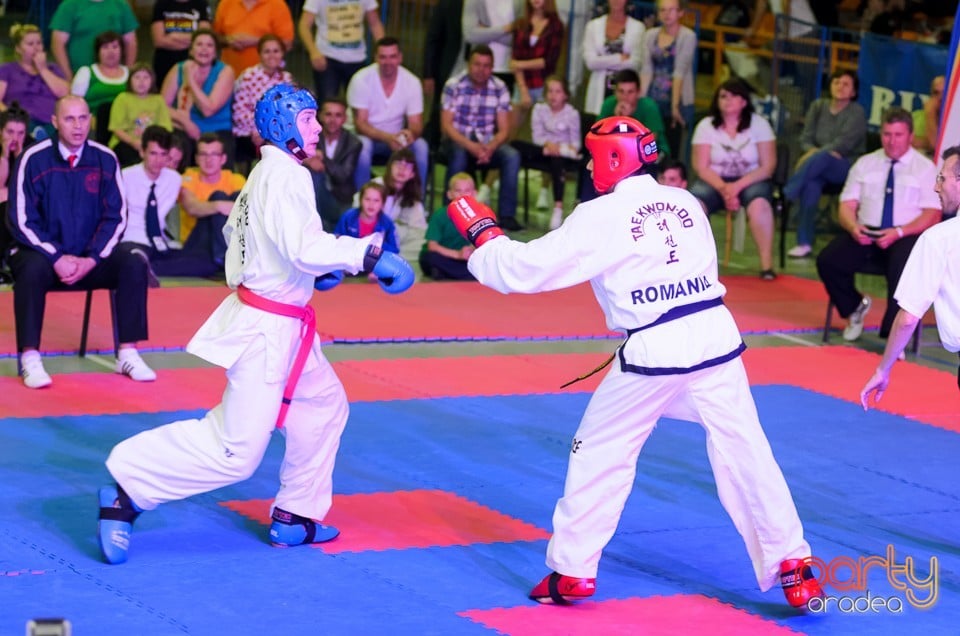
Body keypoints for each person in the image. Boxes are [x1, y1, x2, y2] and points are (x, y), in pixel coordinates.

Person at [444, 115, 823, 610]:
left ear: (610, 159)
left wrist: (484, 235)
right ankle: (794, 564)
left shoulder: (601, 215)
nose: (586, 164)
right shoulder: (685, 201)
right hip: (714, 342)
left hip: (654, 353)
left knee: (599, 451)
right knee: (745, 449)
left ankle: (572, 571)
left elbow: (526, 270)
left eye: (591, 155)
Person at [96, 83, 415, 565]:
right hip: (267, 331)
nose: (318, 128)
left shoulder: (265, 175)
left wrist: (315, 273)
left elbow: (251, 247)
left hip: (281, 324)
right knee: (235, 451)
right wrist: (366, 253)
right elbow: (303, 246)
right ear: (285, 127)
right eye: (307, 120)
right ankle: (128, 488)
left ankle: (296, 514)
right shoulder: (286, 176)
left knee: (324, 406)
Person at [7, 95, 155, 389]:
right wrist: (56, 257)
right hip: (46, 258)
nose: (78, 126)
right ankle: (30, 358)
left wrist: (92, 259)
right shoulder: (32, 159)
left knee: (133, 260)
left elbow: (116, 217)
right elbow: (21, 219)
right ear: (54, 122)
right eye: (69, 119)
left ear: (91, 120)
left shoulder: (105, 159)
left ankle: (127, 352)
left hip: (89, 259)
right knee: (30, 267)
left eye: (83, 118)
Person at [815, 106, 941, 342]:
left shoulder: (924, 168)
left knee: (903, 269)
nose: (892, 141)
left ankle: (893, 335)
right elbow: (846, 204)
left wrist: (899, 232)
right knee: (828, 261)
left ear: (911, 136)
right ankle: (854, 308)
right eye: (887, 134)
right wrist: (853, 227)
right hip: (866, 231)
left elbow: (933, 213)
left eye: (898, 135)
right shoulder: (865, 163)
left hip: (905, 234)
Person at [861, 145, 960, 405]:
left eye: (941, 178)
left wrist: (883, 369)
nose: (936, 187)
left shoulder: (939, 239)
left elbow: (907, 318)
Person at [689, 78, 777, 280]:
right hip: (714, 179)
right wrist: (724, 188)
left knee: (759, 205)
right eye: (723, 96)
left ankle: (766, 265)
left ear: (744, 101)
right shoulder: (706, 126)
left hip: (751, 178)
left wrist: (736, 187)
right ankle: (697, 264)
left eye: (733, 96)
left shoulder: (759, 125)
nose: (727, 100)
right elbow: (701, 167)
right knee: (694, 205)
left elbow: (768, 166)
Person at [783, 69, 867, 258]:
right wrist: (814, 153)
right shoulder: (818, 106)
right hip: (816, 168)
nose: (840, 86)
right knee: (812, 185)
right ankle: (804, 242)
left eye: (846, 84)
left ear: (853, 92)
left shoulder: (856, 112)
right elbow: (805, 138)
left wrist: (815, 155)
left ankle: (788, 194)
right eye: (836, 82)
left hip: (845, 165)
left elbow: (844, 144)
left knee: (824, 158)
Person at [119, 125, 220, 282]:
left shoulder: (173, 179)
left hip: (160, 245)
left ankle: (149, 268)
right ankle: (141, 266)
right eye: (153, 153)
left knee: (207, 263)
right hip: (132, 241)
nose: (158, 160)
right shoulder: (124, 177)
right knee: (132, 257)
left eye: (163, 154)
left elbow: (191, 202)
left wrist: (218, 204)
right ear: (142, 152)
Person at [441, 44, 522, 232]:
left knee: (512, 156)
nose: (481, 69)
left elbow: (504, 129)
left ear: (492, 68)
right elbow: (446, 126)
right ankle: (450, 212)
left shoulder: (500, 87)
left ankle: (507, 215)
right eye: (477, 64)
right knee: (459, 154)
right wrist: (471, 146)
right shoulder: (453, 85)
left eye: (486, 65)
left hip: (487, 144)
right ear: (469, 64)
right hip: (457, 141)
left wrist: (490, 147)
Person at [346, 37, 429, 195]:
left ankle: (417, 205)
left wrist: (410, 134)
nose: (387, 61)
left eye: (392, 56)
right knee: (362, 147)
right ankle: (363, 201)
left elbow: (416, 123)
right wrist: (388, 138)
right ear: (375, 58)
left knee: (421, 147)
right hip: (366, 136)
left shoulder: (412, 82)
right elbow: (360, 124)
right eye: (383, 57)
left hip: (396, 139)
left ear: (400, 58)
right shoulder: (361, 79)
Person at [161, 29, 235, 161]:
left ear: (215, 52)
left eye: (209, 45)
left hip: (217, 129)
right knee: (175, 148)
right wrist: (185, 122)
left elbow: (208, 110)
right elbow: (161, 106)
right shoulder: (178, 68)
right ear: (191, 50)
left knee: (217, 155)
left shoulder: (225, 71)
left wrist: (190, 79)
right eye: (199, 44)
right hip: (184, 128)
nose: (204, 49)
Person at [517, 75, 580, 230]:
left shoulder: (572, 114)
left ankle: (557, 207)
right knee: (517, 145)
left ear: (565, 95)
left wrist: (558, 148)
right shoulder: (539, 109)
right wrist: (548, 145)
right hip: (542, 149)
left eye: (558, 91)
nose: (553, 95)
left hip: (563, 154)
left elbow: (576, 143)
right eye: (550, 91)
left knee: (557, 161)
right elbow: (536, 136)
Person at [639, 0, 696, 163]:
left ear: (680, 13)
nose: (667, 14)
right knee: (648, 147)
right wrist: (641, 102)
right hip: (652, 99)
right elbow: (646, 70)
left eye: (672, 10)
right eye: (663, 10)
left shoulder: (687, 36)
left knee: (671, 149)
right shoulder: (650, 35)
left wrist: (675, 106)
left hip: (676, 98)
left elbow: (680, 71)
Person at [297, 0, 385, 105]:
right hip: (327, 58)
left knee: (360, 103)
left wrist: (382, 51)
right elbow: (304, 25)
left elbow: (375, 23)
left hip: (358, 58)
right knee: (327, 105)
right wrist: (313, 52)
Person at [178, 132, 246, 266]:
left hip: (227, 241)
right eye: (203, 154)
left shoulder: (235, 179)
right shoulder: (188, 177)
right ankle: (226, 259)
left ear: (223, 158)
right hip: (196, 242)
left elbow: (247, 212)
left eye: (214, 154)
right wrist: (219, 206)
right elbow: (192, 207)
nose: (208, 160)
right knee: (218, 196)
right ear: (196, 158)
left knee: (234, 195)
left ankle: (222, 257)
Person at [231, 34, 295, 171]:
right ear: (259, 54)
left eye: (276, 51)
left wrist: (267, 131)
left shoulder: (287, 79)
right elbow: (239, 113)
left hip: (277, 133)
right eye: (267, 51)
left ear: (282, 53)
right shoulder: (248, 76)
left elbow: (289, 113)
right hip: (248, 132)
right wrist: (258, 130)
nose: (272, 55)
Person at [0, 23, 70, 137]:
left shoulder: (52, 68)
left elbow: (65, 93)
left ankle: (42, 138)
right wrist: (10, 116)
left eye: (39, 43)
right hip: (21, 121)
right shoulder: (7, 70)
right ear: (18, 48)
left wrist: (42, 69)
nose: (36, 47)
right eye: (30, 44)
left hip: (51, 121)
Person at [304, 97, 362, 232]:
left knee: (317, 177)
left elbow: (342, 176)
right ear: (320, 116)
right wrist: (308, 160)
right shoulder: (311, 135)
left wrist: (323, 158)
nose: (332, 120)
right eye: (328, 114)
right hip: (314, 194)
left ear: (345, 119)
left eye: (338, 115)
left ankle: (317, 228)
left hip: (339, 199)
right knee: (314, 176)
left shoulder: (353, 143)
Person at [581, 0, 645, 117]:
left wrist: (602, 60)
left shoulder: (638, 28)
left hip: (626, 90)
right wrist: (619, 58)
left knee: (621, 128)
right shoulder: (593, 26)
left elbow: (635, 63)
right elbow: (590, 62)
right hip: (599, 88)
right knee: (599, 129)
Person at [49, 0, 138, 82]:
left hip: (115, 77)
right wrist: (68, 77)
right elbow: (57, 44)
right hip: (79, 75)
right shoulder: (70, 5)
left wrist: (128, 74)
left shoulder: (120, 5)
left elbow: (131, 43)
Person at [509, 0, 565, 128]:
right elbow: (514, 59)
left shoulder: (556, 26)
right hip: (521, 83)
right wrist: (523, 89)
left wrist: (519, 64)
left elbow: (548, 61)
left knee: (546, 130)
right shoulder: (521, 24)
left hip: (544, 85)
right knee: (510, 128)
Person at [107, 63, 174, 168]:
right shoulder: (122, 98)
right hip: (126, 142)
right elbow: (116, 129)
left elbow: (165, 128)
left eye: (146, 77)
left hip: (152, 144)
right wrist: (133, 142)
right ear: (130, 80)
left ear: (152, 81)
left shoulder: (158, 100)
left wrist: (150, 145)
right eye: (137, 77)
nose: (141, 81)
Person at [334, 181, 401, 282]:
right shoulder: (349, 217)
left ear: (382, 204)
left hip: (374, 263)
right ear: (360, 200)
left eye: (376, 200)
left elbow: (394, 250)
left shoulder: (386, 223)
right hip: (351, 260)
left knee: (391, 269)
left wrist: (378, 243)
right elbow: (337, 241)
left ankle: (377, 273)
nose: (371, 204)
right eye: (367, 199)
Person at [371, 148, 429, 263]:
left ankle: (387, 257)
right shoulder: (375, 185)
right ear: (389, 167)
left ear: (412, 174)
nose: (402, 169)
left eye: (407, 166)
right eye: (398, 164)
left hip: (400, 240)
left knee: (423, 246)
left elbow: (420, 229)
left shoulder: (412, 195)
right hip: (373, 234)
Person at [70, 30, 130, 138]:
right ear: (97, 51)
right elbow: (74, 105)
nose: (110, 51)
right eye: (105, 47)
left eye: (115, 47)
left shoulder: (132, 74)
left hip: (127, 123)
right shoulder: (86, 72)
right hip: (95, 124)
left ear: (122, 50)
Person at [422, 0, 465, 148]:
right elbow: (432, 39)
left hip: (476, 70)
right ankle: (432, 151)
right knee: (438, 112)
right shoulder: (447, 4)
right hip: (448, 69)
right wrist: (428, 74)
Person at [212, 0, 294, 76]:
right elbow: (213, 39)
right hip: (228, 79)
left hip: (267, 80)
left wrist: (256, 41)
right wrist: (227, 40)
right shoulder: (226, 3)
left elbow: (287, 43)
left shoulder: (277, 5)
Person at [419, 172, 477, 280]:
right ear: (449, 194)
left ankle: (447, 274)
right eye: (458, 191)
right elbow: (432, 246)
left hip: (466, 258)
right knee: (430, 258)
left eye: (467, 191)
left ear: (474, 194)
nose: (462, 195)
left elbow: (484, 242)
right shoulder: (440, 215)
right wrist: (457, 254)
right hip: (444, 255)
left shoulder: (479, 215)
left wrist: (470, 250)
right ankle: (462, 274)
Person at [599, 69, 670, 157]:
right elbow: (599, 137)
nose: (625, 97)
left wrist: (627, 120)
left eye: (630, 92)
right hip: (617, 153)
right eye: (621, 91)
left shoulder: (649, 107)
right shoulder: (608, 104)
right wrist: (617, 119)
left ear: (638, 92)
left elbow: (649, 142)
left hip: (653, 152)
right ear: (615, 92)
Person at [462, 0, 523, 93]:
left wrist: (486, 31)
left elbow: (520, 40)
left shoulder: (520, 2)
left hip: (509, 69)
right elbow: (469, 35)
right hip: (479, 69)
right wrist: (506, 29)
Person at [0, 104, 31, 286]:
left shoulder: (30, 147)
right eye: (10, 132)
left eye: (20, 133)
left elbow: (26, 185)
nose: (15, 138)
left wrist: (20, 156)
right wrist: (4, 155)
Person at [150, 0, 212, 85]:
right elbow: (159, 41)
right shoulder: (161, 4)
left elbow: (205, 36)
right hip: (165, 63)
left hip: (195, 63)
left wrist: (174, 36)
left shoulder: (201, 3)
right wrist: (193, 41)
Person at [912, 75, 944, 157]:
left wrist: (930, 114)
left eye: (944, 93)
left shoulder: (954, 120)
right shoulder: (915, 116)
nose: (940, 98)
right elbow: (902, 143)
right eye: (936, 93)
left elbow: (938, 148)